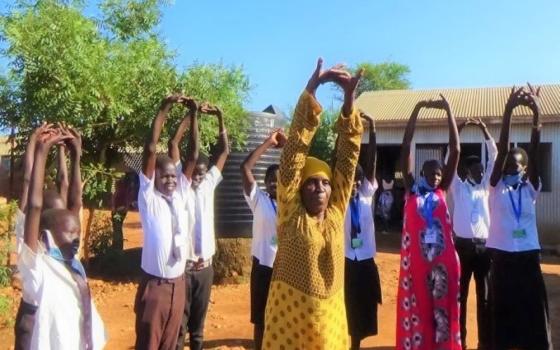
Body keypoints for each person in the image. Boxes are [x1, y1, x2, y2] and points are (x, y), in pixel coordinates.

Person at [262, 59, 363, 350]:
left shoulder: (335, 212)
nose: (319, 187)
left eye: (325, 182)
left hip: (329, 325)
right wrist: (313, 87)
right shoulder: (291, 214)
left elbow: (348, 157)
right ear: (300, 189)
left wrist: (348, 100)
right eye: (311, 182)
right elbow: (293, 153)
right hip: (290, 328)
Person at [19, 125, 106, 349]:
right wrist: (40, 150)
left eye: (77, 231)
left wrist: (75, 154)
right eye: (71, 232)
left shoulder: (71, 258)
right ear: (45, 233)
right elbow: (33, 199)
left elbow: (73, 197)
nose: (76, 238)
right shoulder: (37, 264)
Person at [486, 85, 552, 350]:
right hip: (501, 257)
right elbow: (501, 149)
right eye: (508, 164)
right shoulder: (495, 186)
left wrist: (537, 114)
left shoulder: (530, 187)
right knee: (502, 317)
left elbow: (534, 152)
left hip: (527, 257)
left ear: (525, 168)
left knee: (532, 314)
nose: (511, 167)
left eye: (517, 165)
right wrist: (508, 111)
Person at [396, 95, 461, 350]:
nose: (436, 176)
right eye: (431, 172)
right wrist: (416, 110)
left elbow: (455, 150)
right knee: (419, 311)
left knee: (444, 315)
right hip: (417, 263)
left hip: (444, 262)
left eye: (439, 173)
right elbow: (405, 147)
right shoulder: (412, 190)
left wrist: (448, 110)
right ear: (421, 173)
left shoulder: (442, 190)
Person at [135, 94, 196, 350]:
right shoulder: (148, 197)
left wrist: (194, 117)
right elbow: (151, 148)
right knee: (149, 344)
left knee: (172, 343)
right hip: (156, 287)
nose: (171, 180)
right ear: (154, 176)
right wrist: (164, 108)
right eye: (165, 176)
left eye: (174, 176)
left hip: (179, 284)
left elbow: (192, 155)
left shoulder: (182, 192)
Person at [14, 123, 82, 350]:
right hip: (35, 319)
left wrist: (70, 152)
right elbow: (30, 197)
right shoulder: (33, 249)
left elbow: (69, 190)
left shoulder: (68, 252)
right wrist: (37, 148)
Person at [176, 102, 229, 350]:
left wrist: (219, 118)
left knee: (198, 330)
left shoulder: (208, 185)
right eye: (194, 172)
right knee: (179, 326)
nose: (197, 176)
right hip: (183, 269)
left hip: (205, 268)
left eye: (201, 172)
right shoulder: (180, 188)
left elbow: (224, 153)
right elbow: (186, 150)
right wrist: (193, 116)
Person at [450, 117, 497, 350]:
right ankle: (461, 341)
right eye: (477, 170)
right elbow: (452, 156)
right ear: (467, 171)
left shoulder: (486, 187)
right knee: (460, 297)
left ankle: (484, 343)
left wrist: (484, 130)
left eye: (482, 170)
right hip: (462, 247)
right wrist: (458, 130)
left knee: (485, 297)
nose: (481, 173)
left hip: (483, 248)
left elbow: (494, 158)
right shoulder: (457, 186)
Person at [240, 129, 285, 350]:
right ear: (265, 183)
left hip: (285, 270)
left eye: (278, 180)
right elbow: (245, 168)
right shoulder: (258, 200)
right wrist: (269, 142)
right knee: (260, 319)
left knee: (283, 317)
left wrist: (288, 148)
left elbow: (305, 172)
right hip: (264, 267)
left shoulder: (292, 204)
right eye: (270, 180)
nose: (274, 184)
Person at [344, 111, 382, 350]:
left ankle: (356, 344)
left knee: (364, 304)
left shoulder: (367, 194)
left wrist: (373, 128)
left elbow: (371, 162)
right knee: (346, 303)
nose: (355, 185)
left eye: (358, 181)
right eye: (351, 181)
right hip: (346, 259)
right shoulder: (338, 200)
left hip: (366, 258)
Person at [111, 171, 140, 250]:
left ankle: (117, 245)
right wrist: (126, 207)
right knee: (118, 227)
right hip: (123, 208)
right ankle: (118, 245)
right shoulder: (129, 187)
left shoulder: (120, 184)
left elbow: (115, 194)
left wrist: (113, 206)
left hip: (118, 207)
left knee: (116, 226)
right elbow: (128, 198)